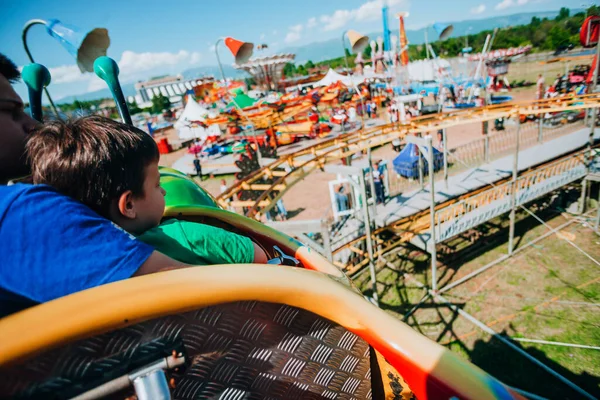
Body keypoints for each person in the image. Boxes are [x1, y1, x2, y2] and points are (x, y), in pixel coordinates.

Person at [0, 53, 191, 317]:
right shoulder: (24, 212)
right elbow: (194, 289)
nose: (32, 125)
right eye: (10, 111)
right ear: (128, 204)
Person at [27, 115, 269, 269]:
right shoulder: (187, 236)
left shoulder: (83, 268)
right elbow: (260, 257)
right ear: (129, 205)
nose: (163, 192)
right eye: (156, 185)